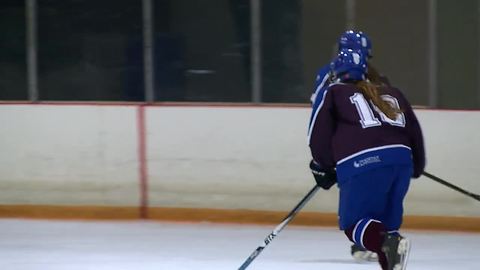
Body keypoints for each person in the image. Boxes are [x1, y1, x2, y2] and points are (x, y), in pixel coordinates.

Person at [307, 49, 426, 270]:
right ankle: (388, 247)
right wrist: (416, 165)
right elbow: (414, 131)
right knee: (388, 230)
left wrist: (323, 165)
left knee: (355, 225)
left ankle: (385, 242)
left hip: (363, 163)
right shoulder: (391, 91)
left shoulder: (333, 91)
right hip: (401, 162)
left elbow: (318, 132)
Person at [308, 30, 385, 262]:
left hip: (349, 146)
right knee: (369, 189)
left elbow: (318, 114)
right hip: (365, 145)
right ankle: (370, 238)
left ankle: (369, 238)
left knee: (359, 194)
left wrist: (324, 158)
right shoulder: (371, 77)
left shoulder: (328, 74)